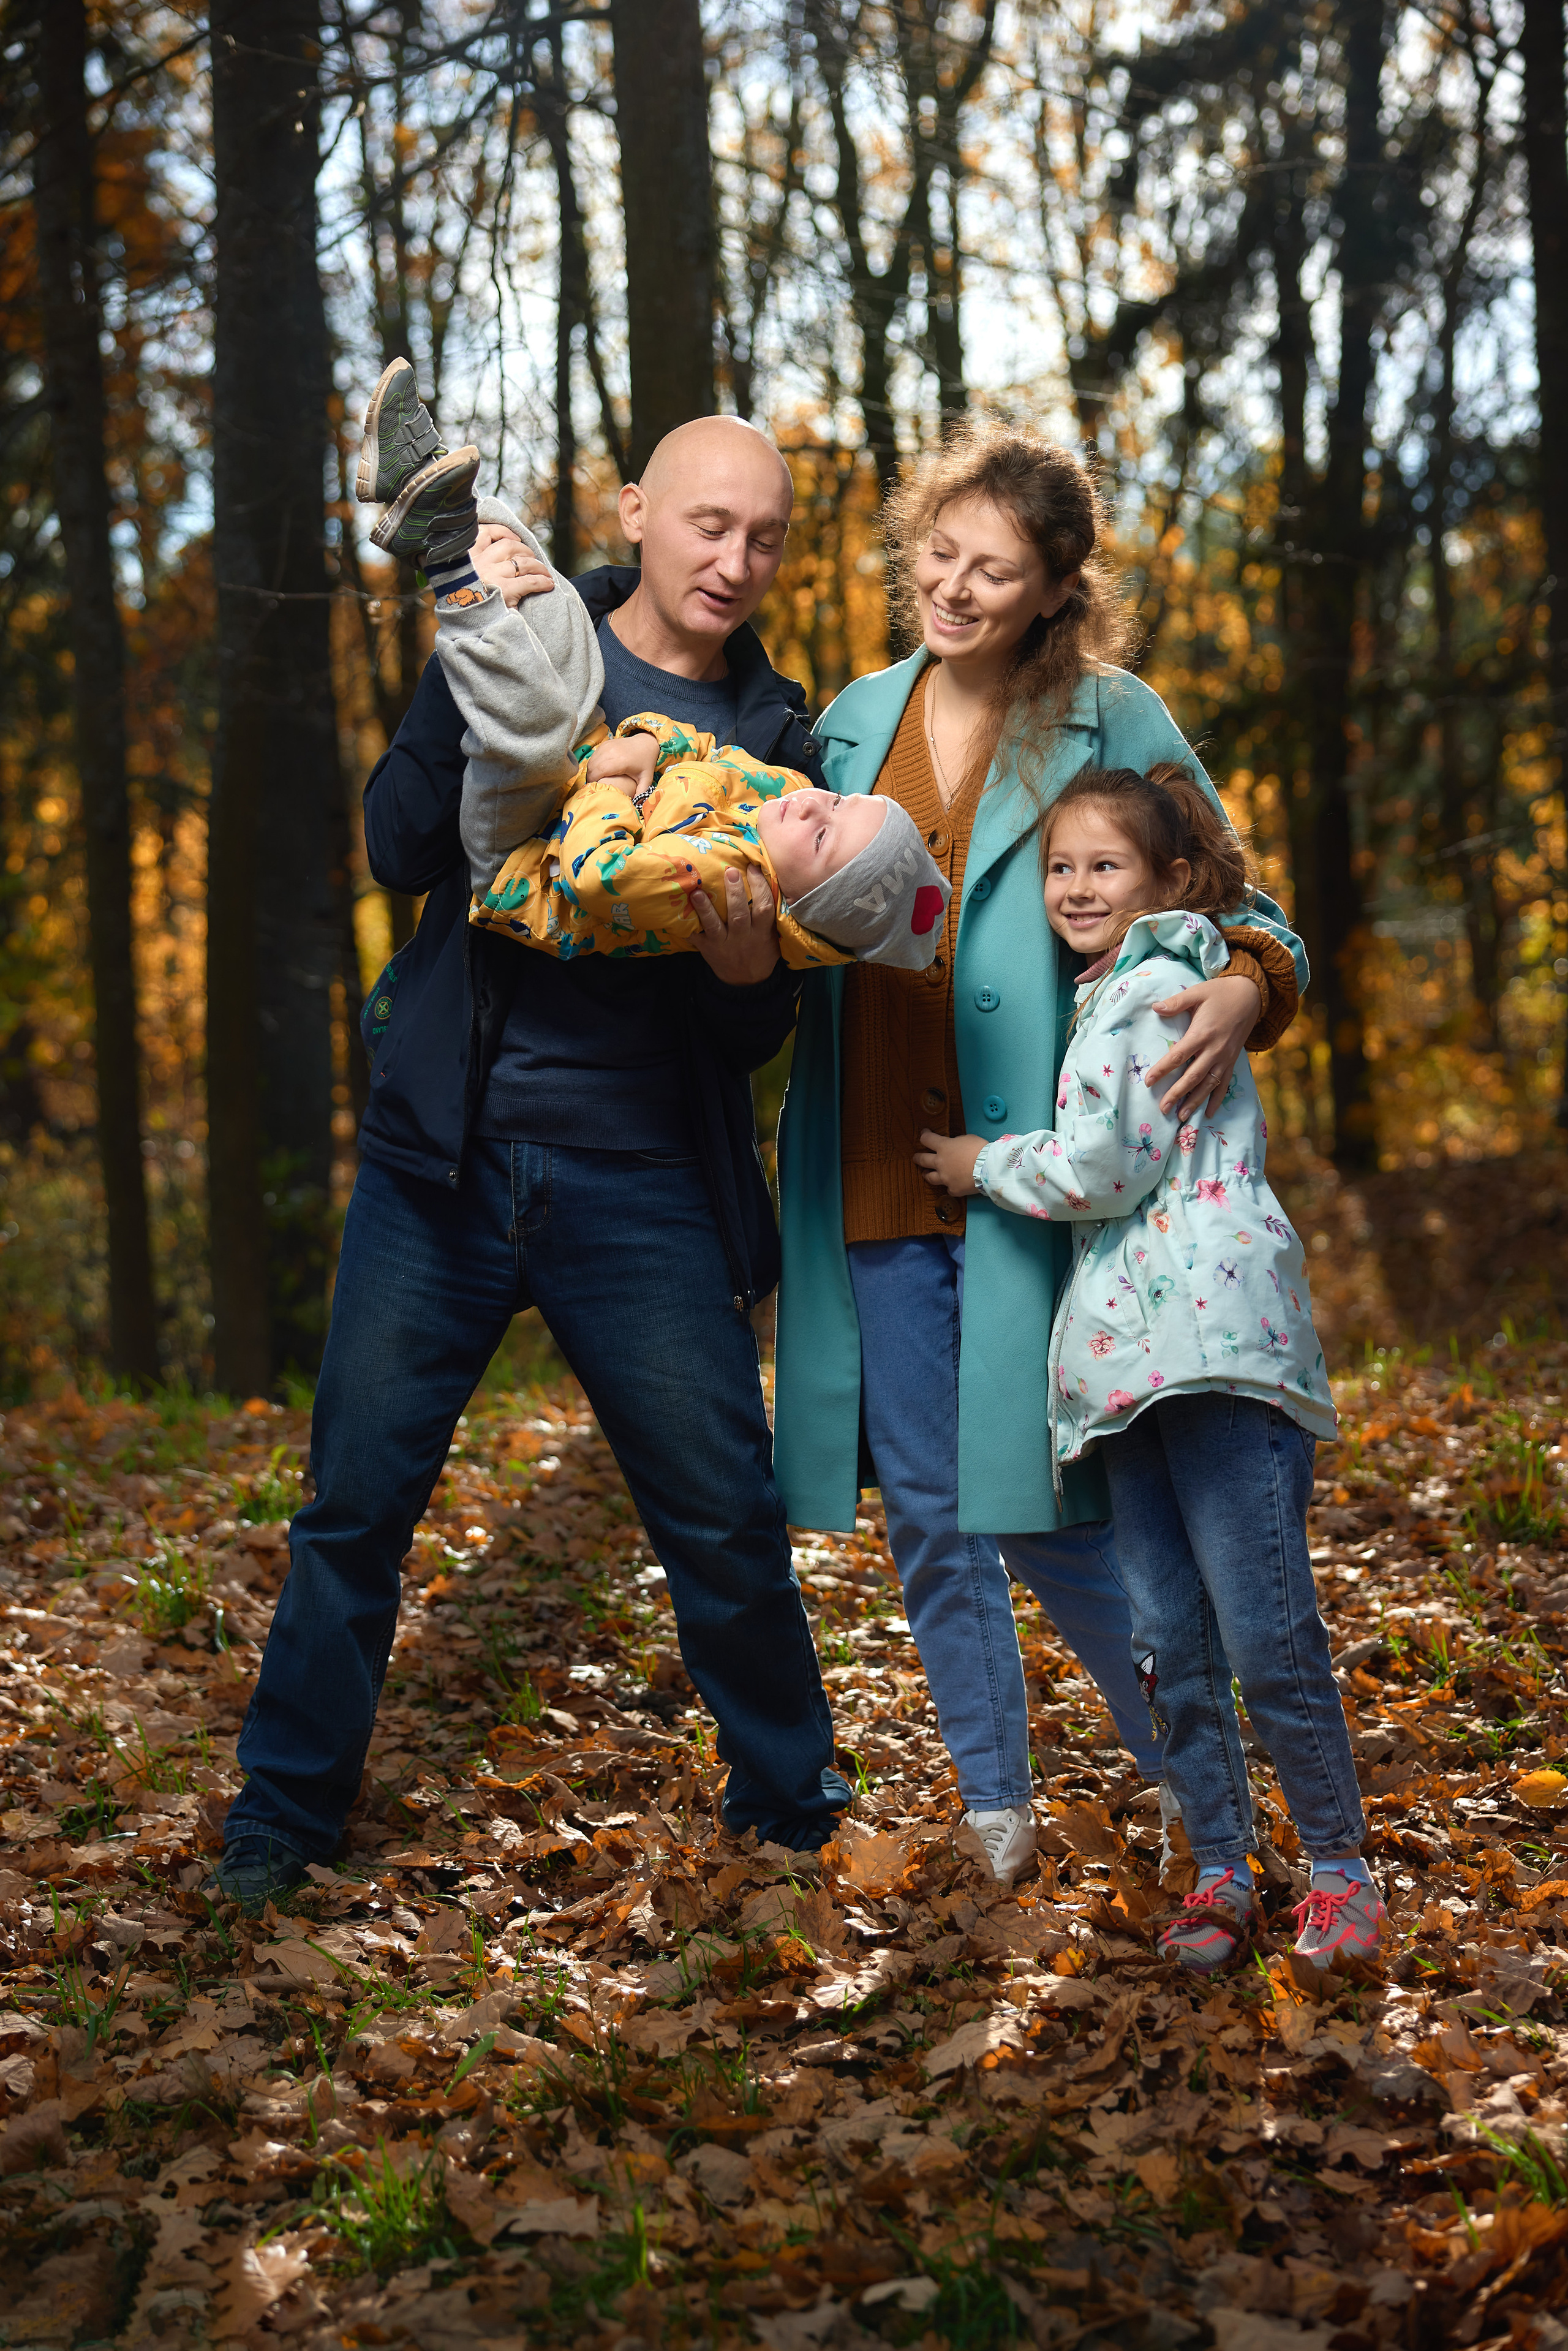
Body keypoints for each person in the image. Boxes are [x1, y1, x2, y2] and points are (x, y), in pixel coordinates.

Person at [209, 368, 851, 1912]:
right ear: (637, 513)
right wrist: (471, 657)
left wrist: (749, 967)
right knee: (354, 1504)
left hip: (643, 1185)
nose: (734, 560)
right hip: (444, 1161)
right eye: (708, 522)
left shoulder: (777, 735)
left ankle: (794, 1811)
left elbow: (752, 1037)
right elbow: (392, 847)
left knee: (720, 1512)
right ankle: (279, 1824)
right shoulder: (524, 630)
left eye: (764, 539)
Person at [772, 417, 1308, 1888]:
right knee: (933, 1513)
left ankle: (1198, 1792)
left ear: (1051, 589)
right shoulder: (844, 718)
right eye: (936, 554)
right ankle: (992, 1797)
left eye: (991, 572)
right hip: (877, 1157)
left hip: (1041, 1180)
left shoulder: (1109, 713)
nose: (952, 589)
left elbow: (1244, 899)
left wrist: (1250, 980)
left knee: (1043, 1504)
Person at [914, 763, 1382, 1971]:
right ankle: (1222, 1867)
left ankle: (1337, 1869)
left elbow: (1105, 1167)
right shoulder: (1102, 993)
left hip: (1215, 1360)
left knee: (1262, 1629)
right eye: (1061, 867)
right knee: (1170, 1636)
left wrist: (980, 1163)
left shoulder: (1158, 990)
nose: (1074, 886)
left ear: (1169, 878)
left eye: (1102, 865)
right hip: (1132, 1373)